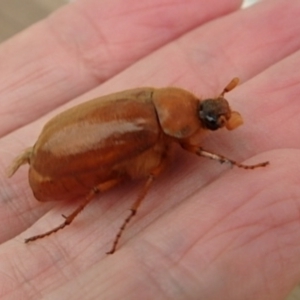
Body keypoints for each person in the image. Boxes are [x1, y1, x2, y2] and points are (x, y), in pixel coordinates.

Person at [1, 0, 300, 299]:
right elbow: (183, 158)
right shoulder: (157, 134)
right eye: (211, 123)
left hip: (57, 145)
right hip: (61, 168)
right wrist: (235, 163)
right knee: (100, 189)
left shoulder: (153, 98)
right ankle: (70, 224)